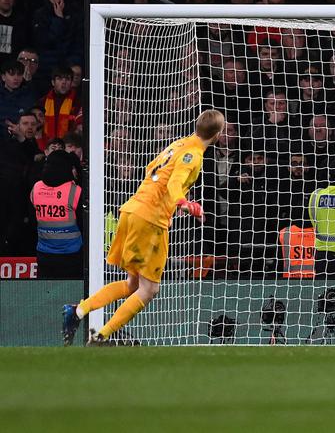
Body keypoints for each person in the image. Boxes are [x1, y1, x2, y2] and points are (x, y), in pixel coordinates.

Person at [62, 109, 224, 345]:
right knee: (149, 290)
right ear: (218, 135)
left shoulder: (178, 144)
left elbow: (152, 170)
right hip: (149, 219)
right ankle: (102, 337)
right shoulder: (194, 155)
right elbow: (175, 183)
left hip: (133, 210)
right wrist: (184, 204)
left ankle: (77, 311)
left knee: (134, 284)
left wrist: (170, 202)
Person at [30, 149, 84, 278]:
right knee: (72, 289)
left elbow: (32, 217)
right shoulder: (75, 191)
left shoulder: (36, 188)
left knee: (47, 289)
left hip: (44, 253)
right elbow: (83, 223)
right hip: (71, 254)